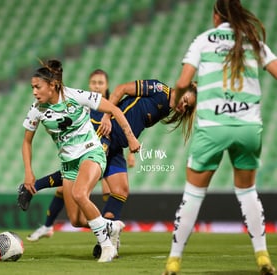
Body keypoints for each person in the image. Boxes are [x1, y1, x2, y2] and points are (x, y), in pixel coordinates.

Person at [19, 77, 198, 257]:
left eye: (187, 107)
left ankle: (107, 234)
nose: (183, 107)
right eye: (185, 101)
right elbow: (122, 89)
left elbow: (137, 117)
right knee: (83, 170)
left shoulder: (167, 107)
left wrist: (130, 145)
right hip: (106, 131)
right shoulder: (159, 89)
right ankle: (32, 188)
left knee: (121, 190)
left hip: (118, 144)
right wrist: (106, 117)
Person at [162, 1, 277, 274]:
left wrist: (176, 100)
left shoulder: (203, 40)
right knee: (248, 192)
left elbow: (181, 83)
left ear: (216, 16)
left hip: (213, 126)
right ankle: (263, 257)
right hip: (248, 127)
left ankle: (173, 261)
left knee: (193, 194)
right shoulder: (253, 41)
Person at [22, 59, 140, 263]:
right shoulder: (37, 109)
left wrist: (130, 139)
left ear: (52, 85)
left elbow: (114, 109)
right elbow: (26, 142)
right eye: (32, 87)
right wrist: (28, 172)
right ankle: (111, 226)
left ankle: (107, 247)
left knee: (79, 193)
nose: (34, 91)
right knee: (76, 220)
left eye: (37, 86)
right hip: (69, 165)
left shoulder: (76, 96)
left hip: (91, 153)